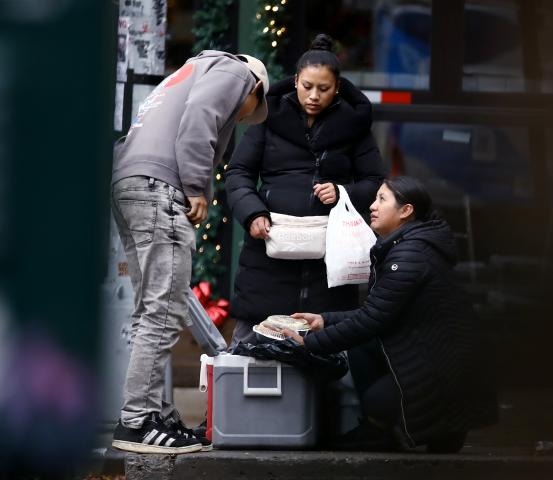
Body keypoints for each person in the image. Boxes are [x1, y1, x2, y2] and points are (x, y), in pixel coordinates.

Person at [110, 50, 269, 454]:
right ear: (255, 88)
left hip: (131, 182)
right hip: (160, 187)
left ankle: (150, 413)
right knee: (164, 309)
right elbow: (202, 114)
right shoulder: (235, 71)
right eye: (250, 110)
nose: (243, 117)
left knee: (152, 308)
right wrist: (197, 186)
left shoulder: (187, 71)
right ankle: (138, 422)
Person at [281, 176, 494, 453]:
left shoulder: (409, 255)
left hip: (445, 370)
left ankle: (410, 427)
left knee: (377, 400)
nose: (372, 206)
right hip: (437, 356)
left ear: (406, 211)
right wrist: (325, 320)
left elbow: (373, 319)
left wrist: (310, 344)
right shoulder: (410, 244)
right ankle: (384, 431)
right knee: (362, 348)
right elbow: (377, 311)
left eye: (382, 199)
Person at [225, 34, 385, 345]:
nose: (313, 96)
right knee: (251, 345)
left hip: (330, 258)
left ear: (337, 88)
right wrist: (252, 213)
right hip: (268, 248)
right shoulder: (267, 116)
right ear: (295, 80)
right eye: (307, 86)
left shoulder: (354, 126)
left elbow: (375, 183)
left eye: (323, 89)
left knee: (324, 352)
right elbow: (238, 172)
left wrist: (342, 193)